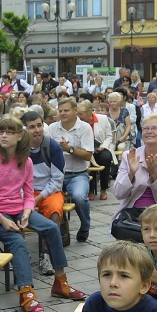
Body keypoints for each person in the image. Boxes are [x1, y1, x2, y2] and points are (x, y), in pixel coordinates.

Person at [0, 116, 84, 312]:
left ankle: (60, 282)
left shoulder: (25, 161)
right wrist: (2, 220)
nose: (4, 136)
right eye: (1, 132)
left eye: (9, 132)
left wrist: (27, 212)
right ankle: (26, 292)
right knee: (17, 241)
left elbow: (28, 194)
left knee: (52, 228)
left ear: (19, 136)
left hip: (19, 209)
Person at [112, 112, 157, 225]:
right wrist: (131, 174)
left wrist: (155, 175)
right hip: (133, 214)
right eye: (145, 128)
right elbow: (119, 194)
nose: (149, 132)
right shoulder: (129, 156)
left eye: (154, 128)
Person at [21, 110, 68, 254]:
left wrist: (38, 198)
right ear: (24, 130)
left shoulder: (53, 147)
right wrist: (26, 197)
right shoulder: (19, 149)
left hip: (49, 191)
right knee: (14, 211)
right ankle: (21, 253)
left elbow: (57, 181)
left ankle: (47, 254)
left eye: (39, 125)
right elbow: (16, 179)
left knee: (54, 211)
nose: (37, 130)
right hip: (25, 190)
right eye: (32, 127)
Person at [48, 99, 95, 242]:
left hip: (78, 173)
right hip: (56, 174)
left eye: (66, 110)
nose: (63, 113)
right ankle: (62, 232)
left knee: (79, 197)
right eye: (60, 110)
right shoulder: (52, 128)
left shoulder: (85, 128)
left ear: (75, 111)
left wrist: (70, 149)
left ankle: (85, 226)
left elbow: (88, 155)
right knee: (50, 200)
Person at [77, 100, 114, 200]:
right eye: (78, 113)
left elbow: (109, 136)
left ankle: (103, 189)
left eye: (81, 114)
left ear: (89, 112)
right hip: (86, 149)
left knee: (105, 158)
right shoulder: (78, 122)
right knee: (87, 159)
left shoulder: (103, 119)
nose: (79, 116)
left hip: (101, 148)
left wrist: (102, 146)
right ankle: (90, 190)